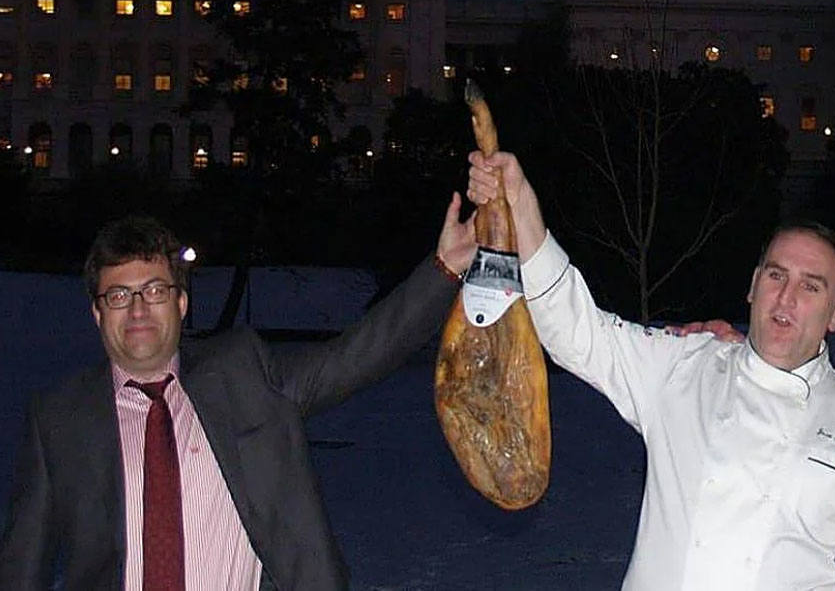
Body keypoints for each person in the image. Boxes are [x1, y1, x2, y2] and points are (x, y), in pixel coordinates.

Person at [466, 150, 835, 590]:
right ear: (753, 286)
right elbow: (576, 329)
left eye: (811, 286)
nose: (786, 297)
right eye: (776, 276)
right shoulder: (682, 366)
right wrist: (520, 201)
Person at [0, 195, 478, 591]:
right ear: (98, 313)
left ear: (182, 303)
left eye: (155, 291)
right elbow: (23, 566)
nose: (139, 309)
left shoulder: (242, 375)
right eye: (119, 296)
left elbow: (355, 356)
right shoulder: (59, 418)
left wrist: (446, 268)